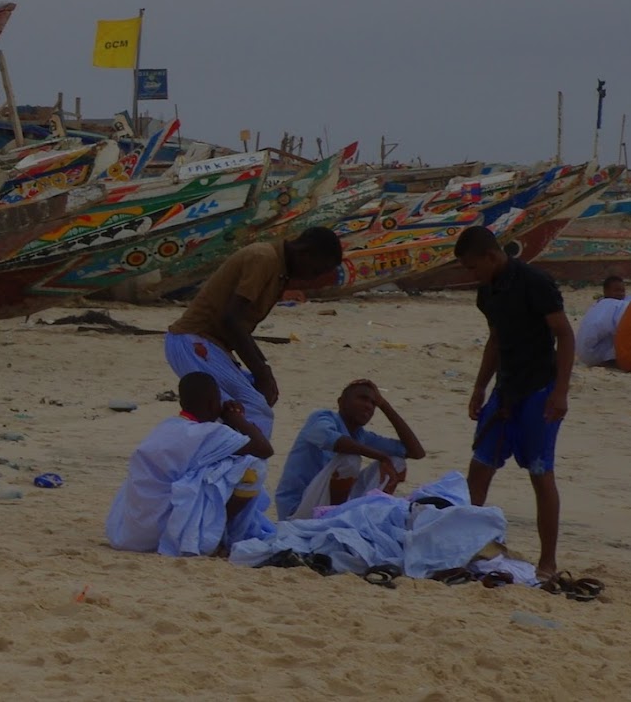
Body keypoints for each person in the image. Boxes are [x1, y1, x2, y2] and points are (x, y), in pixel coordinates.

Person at [164, 227, 344, 535]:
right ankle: (235, 510)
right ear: (305, 253)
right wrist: (262, 371)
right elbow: (231, 319)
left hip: (210, 346)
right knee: (256, 411)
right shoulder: (264, 258)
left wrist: (260, 371)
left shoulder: (278, 269)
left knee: (235, 416)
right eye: (316, 270)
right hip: (194, 341)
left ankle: (226, 500)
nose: (313, 278)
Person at [453, 225, 574, 580]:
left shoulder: (536, 283)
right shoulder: (486, 292)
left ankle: (548, 561)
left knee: (540, 473)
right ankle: (465, 546)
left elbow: (564, 335)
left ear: (491, 257)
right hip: (504, 390)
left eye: (472, 267)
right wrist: (479, 387)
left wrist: (561, 391)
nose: (471, 275)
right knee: (480, 467)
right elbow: (496, 339)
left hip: (539, 390)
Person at [105, 373, 274, 557]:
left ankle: (214, 531)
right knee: (253, 468)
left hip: (132, 531)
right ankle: (216, 534)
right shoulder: (204, 433)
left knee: (222, 466)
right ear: (213, 403)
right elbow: (263, 449)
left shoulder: (167, 427)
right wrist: (237, 418)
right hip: (164, 531)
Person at [274, 379, 427, 520]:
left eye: (373, 403)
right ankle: (334, 520)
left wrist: (384, 405)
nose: (368, 406)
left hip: (328, 504)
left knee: (397, 462)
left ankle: (369, 517)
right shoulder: (321, 418)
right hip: (299, 510)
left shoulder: (361, 435)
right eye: (362, 398)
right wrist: (381, 457)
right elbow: (337, 442)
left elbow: (416, 452)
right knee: (350, 459)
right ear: (341, 402)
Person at [575, 275, 631, 367]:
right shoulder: (617, 305)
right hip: (594, 353)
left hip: (582, 352)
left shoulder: (598, 304)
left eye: (622, 291)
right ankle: (610, 361)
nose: (620, 294)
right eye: (616, 290)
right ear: (606, 291)